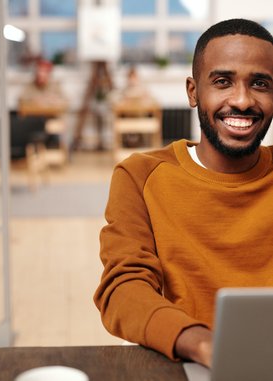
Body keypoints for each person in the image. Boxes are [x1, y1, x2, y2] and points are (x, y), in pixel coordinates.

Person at [94, 18, 273, 368]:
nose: (241, 100)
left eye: (261, 84)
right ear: (193, 92)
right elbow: (123, 289)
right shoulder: (139, 176)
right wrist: (205, 345)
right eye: (222, 82)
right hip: (192, 363)